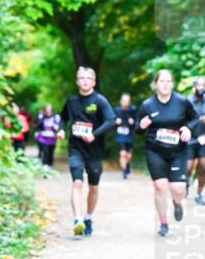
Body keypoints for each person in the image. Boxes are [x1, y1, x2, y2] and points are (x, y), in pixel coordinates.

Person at [136, 69, 199, 237]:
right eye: (162, 81)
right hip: (155, 150)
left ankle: (177, 203)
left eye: (168, 81)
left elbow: (195, 119)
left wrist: (187, 128)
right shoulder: (147, 105)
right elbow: (137, 129)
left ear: (172, 83)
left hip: (178, 151)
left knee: (178, 189)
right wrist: (141, 125)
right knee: (160, 186)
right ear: (155, 84)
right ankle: (163, 222)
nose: (165, 84)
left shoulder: (182, 102)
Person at [57, 67, 116, 237]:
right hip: (76, 148)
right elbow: (62, 118)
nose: (84, 80)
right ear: (77, 81)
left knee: (94, 187)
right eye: (81, 78)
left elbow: (111, 120)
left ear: (94, 82)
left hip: (95, 151)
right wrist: (61, 130)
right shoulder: (72, 101)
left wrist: (94, 134)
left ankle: (88, 218)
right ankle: (78, 219)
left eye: (88, 78)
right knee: (77, 182)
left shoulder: (99, 100)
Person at [186, 76, 205, 205]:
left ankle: (199, 194)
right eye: (199, 85)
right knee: (188, 169)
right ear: (194, 86)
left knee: (203, 167)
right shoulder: (188, 101)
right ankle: (186, 184)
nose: (201, 87)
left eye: (203, 85)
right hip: (190, 140)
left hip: (204, 140)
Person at [114, 93, 137, 179]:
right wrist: (116, 121)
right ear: (120, 101)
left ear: (129, 102)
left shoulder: (133, 110)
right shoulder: (117, 110)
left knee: (128, 155)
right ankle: (124, 172)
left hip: (130, 135)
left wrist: (133, 122)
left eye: (127, 101)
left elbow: (138, 122)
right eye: (124, 101)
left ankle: (127, 165)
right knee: (123, 153)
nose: (125, 102)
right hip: (120, 135)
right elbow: (111, 121)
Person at [35, 104, 61, 171]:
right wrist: (38, 132)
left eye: (49, 109)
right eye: (47, 109)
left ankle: (50, 165)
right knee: (45, 151)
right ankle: (45, 166)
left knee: (50, 152)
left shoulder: (56, 117)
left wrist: (56, 128)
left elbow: (58, 127)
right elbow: (37, 125)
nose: (48, 111)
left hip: (52, 138)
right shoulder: (42, 117)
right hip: (43, 138)